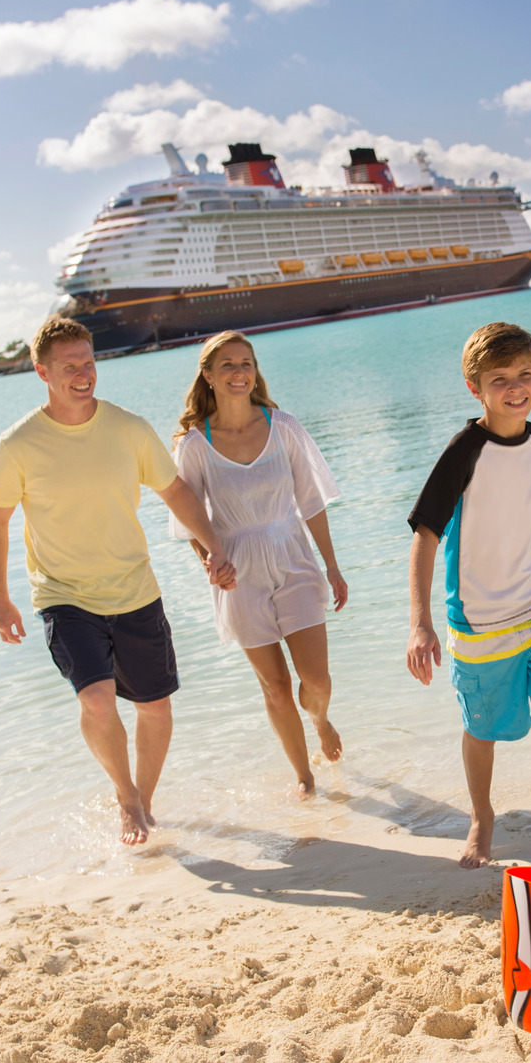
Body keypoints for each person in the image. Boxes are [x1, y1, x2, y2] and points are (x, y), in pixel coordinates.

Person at [0, 317, 235, 847]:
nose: (83, 374)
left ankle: (146, 798)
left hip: (134, 588)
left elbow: (175, 491)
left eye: (88, 362)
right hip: (64, 595)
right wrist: (1, 600)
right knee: (97, 699)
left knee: (155, 707)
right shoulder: (17, 445)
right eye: (69, 366)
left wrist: (213, 545)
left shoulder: (128, 429)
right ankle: (126, 797)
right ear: (42, 373)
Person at [405, 322, 531, 871]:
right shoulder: (464, 451)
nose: (516, 388)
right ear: (475, 388)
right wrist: (420, 623)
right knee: (482, 729)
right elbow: (425, 534)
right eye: (500, 379)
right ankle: (482, 817)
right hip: (481, 623)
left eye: (525, 374)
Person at [170, 331, 347, 795]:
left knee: (316, 679)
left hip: (292, 555)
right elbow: (189, 519)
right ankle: (305, 779)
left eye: (245, 363)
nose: (239, 372)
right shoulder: (194, 444)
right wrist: (211, 562)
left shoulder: (282, 426)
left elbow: (311, 501)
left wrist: (332, 566)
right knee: (275, 685)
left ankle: (320, 719)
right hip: (238, 572)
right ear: (208, 375)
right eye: (227, 364)